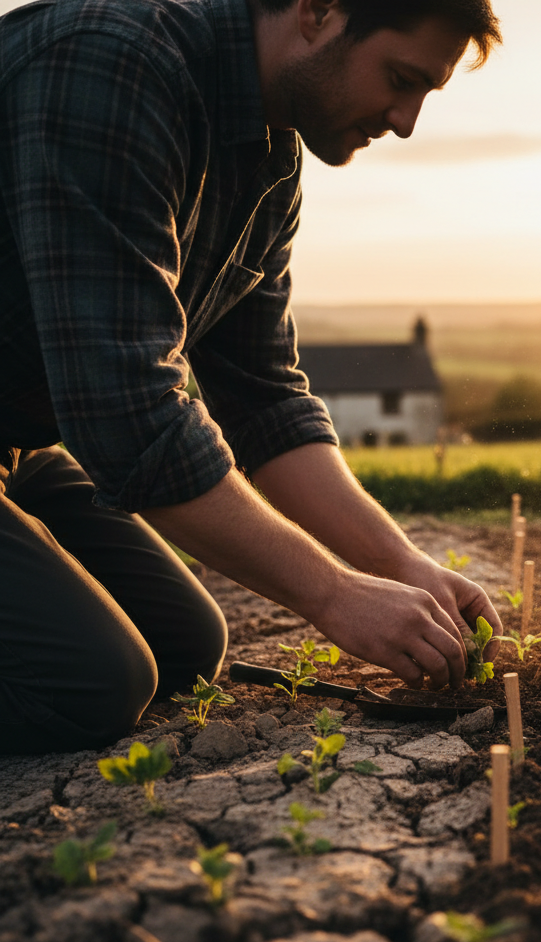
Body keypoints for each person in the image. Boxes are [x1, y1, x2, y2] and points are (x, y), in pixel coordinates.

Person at [0, 0, 502, 755]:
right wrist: (333, 593)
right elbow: (129, 414)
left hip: (21, 448)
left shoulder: (270, 163)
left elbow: (264, 399)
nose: (406, 122)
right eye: (401, 80)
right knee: (90, 683)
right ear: (318, 11)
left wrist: (398, 564)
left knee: (186, 645)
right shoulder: (114, 64)